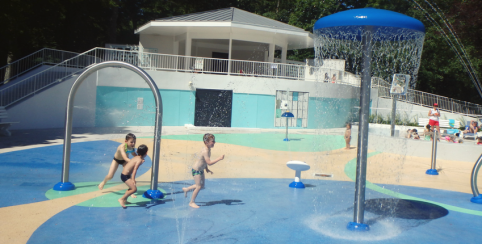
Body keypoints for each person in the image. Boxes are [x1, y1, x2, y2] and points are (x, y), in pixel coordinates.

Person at [182, 133, 225, 208]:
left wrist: (207, 169)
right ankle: (191, 202)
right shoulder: (205, 151)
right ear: (206, 142)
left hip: (201, 170)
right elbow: (209, 162)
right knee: (198, 187)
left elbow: (204, 161)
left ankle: (187, 189)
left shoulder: (208, 149)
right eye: (212, 141)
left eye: (214, 141)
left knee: (202, 186)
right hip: (196, 171)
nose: (214, 142)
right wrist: (219, 158)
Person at [98, 133, 138, 198]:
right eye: (131, 142)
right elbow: (124, 157)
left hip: (124, 162)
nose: (133, 144)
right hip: (116, 160)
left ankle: (131, 191)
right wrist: (132, 162)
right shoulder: (121, 147)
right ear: (126, 141)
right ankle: (103, 182)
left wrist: (139, 158)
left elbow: (134, 155)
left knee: (128, 176)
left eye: (134, 142)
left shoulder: (131, 148)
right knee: (110, 176)